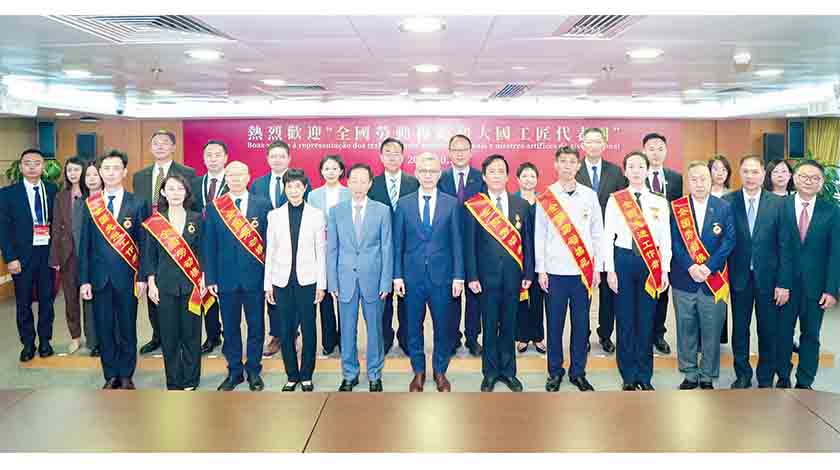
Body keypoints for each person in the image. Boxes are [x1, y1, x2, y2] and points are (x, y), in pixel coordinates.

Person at [79, 150, 150, 389]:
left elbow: (144, 243)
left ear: (125, 172)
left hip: (128, 277)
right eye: (106, 168)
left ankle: (127, 374)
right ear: (100, 172)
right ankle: (110, 374)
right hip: (99, 279)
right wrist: (84, 280)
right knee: (104, 328)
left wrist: (142, 276)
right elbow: (85, 245)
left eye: (116, 168)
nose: (111, 173)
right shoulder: (91, 205)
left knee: (127, 327)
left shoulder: (138, 203)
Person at [393, 153, 464, 392]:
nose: (428, 175)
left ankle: (440, 371)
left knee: (442, 326)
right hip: (411, 277)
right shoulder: (404, 203)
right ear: (416, 173)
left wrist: (458, 276)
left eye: (432, 171)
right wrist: (397, 276)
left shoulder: (451, 203)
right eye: (423, 171)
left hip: (442, 277)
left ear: (439, 174)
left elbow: (457, 242)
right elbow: (398, 243)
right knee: (413, 327)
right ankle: (419, 372)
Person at [603, 151, 671, 391]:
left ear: (648, 170)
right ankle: (628, 375)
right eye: (631, 166)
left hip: (650, 263)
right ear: (625, 171)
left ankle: (645, 374)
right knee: (625, 319)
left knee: (646, 319)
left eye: (641, 166)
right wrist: (610, 270)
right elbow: (607, 236)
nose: (636, 170)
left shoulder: (659, 201)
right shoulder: (616, 200)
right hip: (623, 261)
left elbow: (665, 238)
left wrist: (665, 269)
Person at [465, 155, 534, 392]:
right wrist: (472, 276)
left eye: (501, 171)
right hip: (485, 279)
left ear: (507, 176)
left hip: (514, 277)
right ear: (484, 177)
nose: (496, 175)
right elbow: (469, 245)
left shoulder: (521, 205)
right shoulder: (475, 206)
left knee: (509, 325)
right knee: (489, 325)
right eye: (491, 171)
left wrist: (528, 273)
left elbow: (527, 243)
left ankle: (509, 372)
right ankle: (490, 373)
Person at [537, 146, 603, 392]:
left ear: (578, 165)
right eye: (562, 161)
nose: (567, 166)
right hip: (554, 272)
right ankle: (554, 372)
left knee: (581, 325)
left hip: (582, 273)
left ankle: (578, 372)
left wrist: (597, 267)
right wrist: (541, 269)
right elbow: (539, 235)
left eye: (572, 162)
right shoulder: (546, 197)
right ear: (556, 165)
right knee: (554, 326)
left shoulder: (590, 195)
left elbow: (597, 233)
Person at [723, 155, 789, 389]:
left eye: (755, 172)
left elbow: (785, 245)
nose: (750, 177)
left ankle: (765, 376)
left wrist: (783, 282)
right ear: (740, 173)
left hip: (769, 279)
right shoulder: (727, 202)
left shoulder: (778, 204)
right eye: (746, 172)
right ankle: (742, 374)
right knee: (740, 329)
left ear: (763, 174)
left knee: (767, 330)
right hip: (739, 277)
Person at [204, 161, 271, 392]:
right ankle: (234, 371)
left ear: (248, 176)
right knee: (230, 327)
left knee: (256, 326)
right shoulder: (215, 207)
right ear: (226, 179)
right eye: (231, 175)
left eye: (240, 174)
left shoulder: (263, 205)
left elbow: (270, 243)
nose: (235, 179)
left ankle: (253, 370)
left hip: (255, 277)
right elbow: (209, 244)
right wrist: (210, 278)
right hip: (225, 279)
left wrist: (269, 277)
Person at [670, 161, 736, 390]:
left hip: (713, 279)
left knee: (712, 330)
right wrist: (690, 266)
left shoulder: (723, 207)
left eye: (703, 179)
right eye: (694, 179)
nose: (699, 184)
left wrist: (708, 267)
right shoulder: (677, 207)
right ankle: (689, 373)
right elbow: (674, 242)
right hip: (683, 278)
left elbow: (729, 241)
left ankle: (707, 374)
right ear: (688, 182)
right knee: (685, 328)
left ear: (711, 180)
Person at [327, 163, 392, 392]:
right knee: (346, 330)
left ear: (370, 184)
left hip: (373, 279)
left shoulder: (382, 210)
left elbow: (387, 248)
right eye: (354, 180)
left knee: (374, 329)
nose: (358, 186)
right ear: (347, 182)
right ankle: (349, 373)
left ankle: (374, 373)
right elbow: (332, 248)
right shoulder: (336, 211)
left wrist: (386, 281)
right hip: (345, 279)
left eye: (363, 181)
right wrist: (332, 281)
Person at [142, 174, 211, 391]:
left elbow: (203, 251)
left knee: (191, 334)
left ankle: (190, 379)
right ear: (163, 192)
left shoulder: (197, 219)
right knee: (169, 336)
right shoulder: (155, 222)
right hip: (165, 286)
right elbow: (149, 255)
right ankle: (173, 380)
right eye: (171, 189)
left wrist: (203, 278)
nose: (175, 193)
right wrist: (151, 283)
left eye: (180, 189)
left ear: (186, 192)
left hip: (192, 285)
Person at [776, 160, 839, 390]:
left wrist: (831, 290)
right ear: (794, 178)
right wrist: (780, 283)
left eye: (815, 178)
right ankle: (783, 376)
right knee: (783, 334)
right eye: (804, 176)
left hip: (816, 287)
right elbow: (775, 248)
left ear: (821, 183)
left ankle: (805, 381)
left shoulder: (832, 211)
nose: (809, 181)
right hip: (785, 286)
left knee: (811, 335)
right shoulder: (780, 207)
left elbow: (835, 254)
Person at [132, 130, 196, 355]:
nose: (160, 146)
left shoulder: (187, 173)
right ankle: (158, 335)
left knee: (180, 295)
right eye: (155, 143)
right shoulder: (140, 176)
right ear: (151, 147)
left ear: (173, 147)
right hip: (150, 236)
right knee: (155, 290)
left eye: (165, 143)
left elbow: (193, 206)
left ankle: (181, 338)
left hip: (178, 238)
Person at [265, 169, 327, 392]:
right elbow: (270, 251)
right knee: (286, 329)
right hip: (281, 281)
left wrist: (321, 284)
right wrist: (268, 285)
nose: (293, 190)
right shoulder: (274, 216)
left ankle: (307, 374)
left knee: (309, 328)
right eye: (289, 186)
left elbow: (321, 251)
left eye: (297, 186)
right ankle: (291, 375)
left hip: (308, 281)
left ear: (305, 188)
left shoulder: (316, 215)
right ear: (285, 189)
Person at [250, 140, 311, 351]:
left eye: (282, 156)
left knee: (294, 289)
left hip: (294, 245)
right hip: (263, 245)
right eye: (273, 156)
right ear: (267, 159)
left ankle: (293, 333)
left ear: (289, 158)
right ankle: (276, 334)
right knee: (273, 292)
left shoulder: (300, 182)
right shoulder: (258, 184)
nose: (277, 159)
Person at [0, 149, 58, 362]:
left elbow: (58, 224)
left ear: (43, 167)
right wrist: (10, 258)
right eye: (27, 163)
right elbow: (3, 229)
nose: (32, 167)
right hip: (21, 257)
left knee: (47, 301)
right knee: (23, 302)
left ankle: (45, 341)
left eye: (37, 163)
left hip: (46, 255)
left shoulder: (52, 190)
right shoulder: (8, 194)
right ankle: (27, 343)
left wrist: (57, 255)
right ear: (21, 166)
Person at [575, 127, 627, 354]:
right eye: (589, 141)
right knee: (582, 291)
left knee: (608, 291)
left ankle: (605, 334)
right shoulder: (574, 170)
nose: (593, 145)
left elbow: (623, 205)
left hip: (609, 239)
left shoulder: (615, 172)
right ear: (582, 145)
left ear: (604, 145)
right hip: (582, 240)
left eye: (598, 141)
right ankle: (583, 335)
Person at [368, 138, 420, 356]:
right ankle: (385, 338)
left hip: (409, 249)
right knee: (384, 297)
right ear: (381, 157)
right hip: (380, 249)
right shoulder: (372, 184)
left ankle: (407, 339)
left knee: (408, 298)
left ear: (403, 156)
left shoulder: (414, 183)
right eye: (387, 152)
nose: (391, 156)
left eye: (396, 152)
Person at [438, 134, 485, 357]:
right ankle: (453, 337)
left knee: (474, 294)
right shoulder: (441, 178)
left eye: (463, 149)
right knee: (452, 294)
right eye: (455, 149)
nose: (459, 153)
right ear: (449, 153)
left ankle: (473, 337)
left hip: (476, 244)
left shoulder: (481, 178)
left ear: (470, 152)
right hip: (448, 244)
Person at [304, 154, 351, 358]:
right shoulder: (313, 195)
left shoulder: (349, 193)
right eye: (326, 169)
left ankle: (345, 339)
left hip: (344, 250)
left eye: (334, 168)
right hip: (321, 250)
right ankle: (329, 341)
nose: (330, 172)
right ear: (321, 172)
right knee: (324, 297)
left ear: (341, 171)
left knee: (344, 296)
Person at [642, 133, 683, 355]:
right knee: (643, 290)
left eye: (660, 148)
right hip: (642, 244)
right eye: (651, 149)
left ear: (666, 151)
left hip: (666, 244)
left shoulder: (676, 178)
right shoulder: (636, 175)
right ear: (644, 151)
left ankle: (658, 333)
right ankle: (643, 332)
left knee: (662, 290)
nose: (656, 153)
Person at [190, 140, 229, 355]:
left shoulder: (234, 182)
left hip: (226, 246)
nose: (213, 159)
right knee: (206, 289)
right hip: (200, 246)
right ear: (204, 159)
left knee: (229, 293)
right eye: (209, 155)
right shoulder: (195, 184)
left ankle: (230, 334)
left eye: (217, 155)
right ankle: (213, 334)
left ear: (226, 158)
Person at [48, 156, 89, 354]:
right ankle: (75, 336)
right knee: (71, 298)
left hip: (89, 254)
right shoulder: (61, 196)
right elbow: (56, 227)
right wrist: (55, 257)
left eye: (76, 169)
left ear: (84, 172)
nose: (73, 173)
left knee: (91, 298)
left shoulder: (92, 194)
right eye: (69, 170)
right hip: (68, 256)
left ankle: (94, 337)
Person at [514, 162, 546, 354]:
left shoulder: (545, 202)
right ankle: (522, 337)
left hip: (540, 258)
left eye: (532, 176)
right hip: (519, 257)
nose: (528, 179)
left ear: (537, 180)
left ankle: (538, 337)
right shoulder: (512, 202)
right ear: (517, 180)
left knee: (538, 299)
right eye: (524, 176)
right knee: (520, 299)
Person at [75, 162, 103, 356]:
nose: (92, 179)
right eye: (88, 175)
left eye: (95, 175)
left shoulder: (111, 199)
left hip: (109, 262)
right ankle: (94, 342)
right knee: (90, 304)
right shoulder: (81, 203)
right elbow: (78, 235)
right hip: (87, 260)